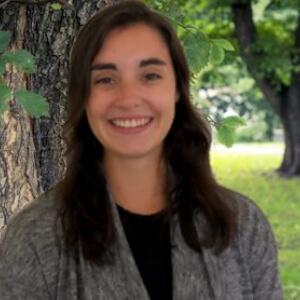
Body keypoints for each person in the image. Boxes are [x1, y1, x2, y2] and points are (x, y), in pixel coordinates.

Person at [0, 1, 283, 299]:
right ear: (84, 97)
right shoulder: (34, 237)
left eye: (150, 75)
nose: (129, 97)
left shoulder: (243, 227)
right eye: (105, 79)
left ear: (177, 88)